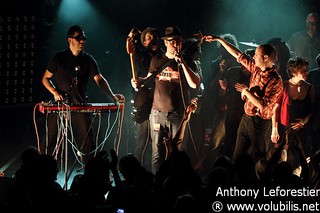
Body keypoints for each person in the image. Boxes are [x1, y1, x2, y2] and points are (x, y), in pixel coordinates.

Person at [41, 25, 124, 164]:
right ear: (70, 40)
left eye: (83, 38)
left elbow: (99, 79)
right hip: (59, 106)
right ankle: (42, 171)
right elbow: (45, 78)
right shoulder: (59, 58)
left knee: (87, 144)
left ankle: (90, 176)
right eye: (78, 38)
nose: (82, 41)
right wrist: (54, 91)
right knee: (50, 141)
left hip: (80, 106)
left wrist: (112, 96)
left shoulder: (88, 59)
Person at [204, 35, 283, 166]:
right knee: (237, 156)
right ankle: (236, 181)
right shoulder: (257, 69)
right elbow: (238, 54)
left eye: (257, 55)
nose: (254, 57)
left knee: (258, 158)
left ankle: (257, 185)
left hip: (260, 122)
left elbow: (263, 105)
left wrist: (246, 92)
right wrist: (220, 40)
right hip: (246, 118)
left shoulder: (275, 80)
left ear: (265, 58)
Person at [132, 26, 201, 174]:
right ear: (166, 43)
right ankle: (157, 185)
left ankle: (176, 185)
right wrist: (138, 81)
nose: (176, 45)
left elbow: (195, 84)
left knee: (178, 153)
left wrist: (182, 63)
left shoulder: (187, 60)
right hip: (157, 113)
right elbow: (150, 80)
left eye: (179, 42)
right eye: (173, 42)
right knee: (157, 153)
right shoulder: (156, 59)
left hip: (178, 115)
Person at [127, 27, 164, 170]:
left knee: (157, 141)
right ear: (143, 42)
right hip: (143, 100)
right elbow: (130, 49)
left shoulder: (164, 56)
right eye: (148, 37)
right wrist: (131, 37)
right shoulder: (140, 55)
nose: (152, 39)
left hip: (159, 100)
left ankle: (157, 173)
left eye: (154, 36)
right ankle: (136, 172)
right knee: (142, 139)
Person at [272, 57, 316, 169]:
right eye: (303, 70)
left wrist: (304, 121)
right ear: (294, 72)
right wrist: (274, 129)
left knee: (301, 159)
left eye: (307, 70)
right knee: (285, 159)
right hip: (285, 128)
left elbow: (313, 109)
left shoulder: (310, 88)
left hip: (303, 130)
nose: (306, 72)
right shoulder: (284, 86)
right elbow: (275, 108)